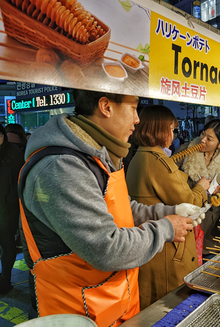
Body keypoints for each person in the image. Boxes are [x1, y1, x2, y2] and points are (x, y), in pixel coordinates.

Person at [19, 90, 204, 326]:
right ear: (106, 107)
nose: (137, 119)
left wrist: (167, 211)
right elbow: (104, 248)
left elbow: (120, 208)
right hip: (75, 311)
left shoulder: (100, 155)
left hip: (113, 304)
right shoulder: (62, 166)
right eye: (133, 108)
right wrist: (165, 229)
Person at [126, 105, 210, 309]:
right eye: (171, 130)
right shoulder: (158, 162)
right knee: (170, 307)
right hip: (167, 250)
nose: (173, 135)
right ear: (160, 130)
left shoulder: (139, 156)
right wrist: (201, 188)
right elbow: (187, 201)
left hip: (152, 245)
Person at [175, 119, 220, 258]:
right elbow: (169, 178)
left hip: (213, 219)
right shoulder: (185, 151)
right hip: (188, 213)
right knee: (187, 256)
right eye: (203, 134)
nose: (202, 140)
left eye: (209, 139)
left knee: (209, 257)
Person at [0, 124, 24, 295]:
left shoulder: (13, 153)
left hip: (8, 209)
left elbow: (19, 182)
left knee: (8, 245)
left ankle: (5, 279)